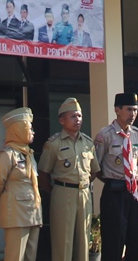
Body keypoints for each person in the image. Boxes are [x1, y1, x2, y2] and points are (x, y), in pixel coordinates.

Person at [39, 97, 98, 261]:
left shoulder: (87, 142)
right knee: (62, 241)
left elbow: (94, 171)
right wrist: (57, 190)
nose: (77, 120)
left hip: (84, 194)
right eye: (73, 116)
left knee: (83, 240)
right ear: (62, 120)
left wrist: (83, 185)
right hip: (63, 193)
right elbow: (43, 174)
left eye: (79, 116)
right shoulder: (54, 144)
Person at [94, 92, 138, 261]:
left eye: (135, 110)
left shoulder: (136, 134)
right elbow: (95, 167)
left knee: (136, 239)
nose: (133, 114)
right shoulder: (105, 135)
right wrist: (112, 181)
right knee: (114, 241)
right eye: (129, 109)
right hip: (114, 192)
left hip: (135, 192)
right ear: (117, 110)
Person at [0, 107, 43, 261]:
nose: (33, 132)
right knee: (15, 256)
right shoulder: (7, 155)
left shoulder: (28, 154)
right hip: (16, 214)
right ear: (18, 130)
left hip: (33, 213)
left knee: (30, 255)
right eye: (29, 128)